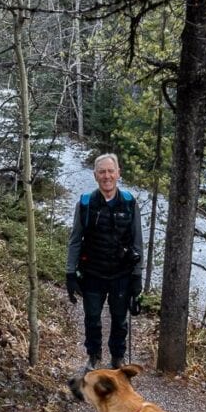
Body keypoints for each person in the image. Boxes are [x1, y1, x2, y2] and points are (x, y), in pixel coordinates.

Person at [66, 153, 144, 370]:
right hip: (92, 273)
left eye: (111, 171)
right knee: (92, 318)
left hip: (122, 275)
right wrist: (70, 273)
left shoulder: (129, 203)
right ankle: (94, 356)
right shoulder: (86, 203)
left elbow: (138, 242)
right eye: (102, 172)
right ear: (95, 175)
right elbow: (74, 240)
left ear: (118, 173)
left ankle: (117, 358)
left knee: (119, 320)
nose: (107, 176)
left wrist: (137, 278)